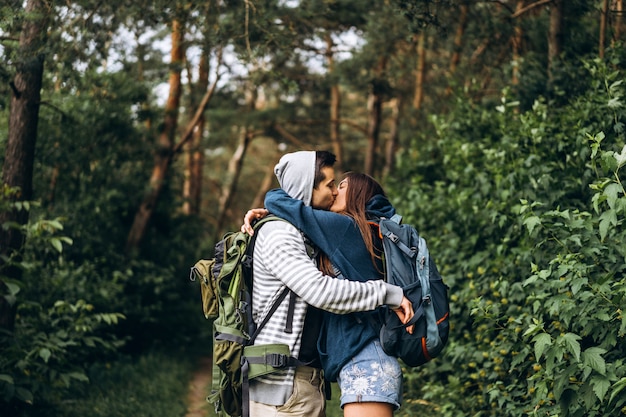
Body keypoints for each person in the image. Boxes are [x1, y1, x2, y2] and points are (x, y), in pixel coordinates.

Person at [245, 150, 413, 417]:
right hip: (280, 384)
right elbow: (319, 290)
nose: (334, 192)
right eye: (330, 184)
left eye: (340, 186)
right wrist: (387, 294)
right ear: (305, 188)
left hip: (307, 381)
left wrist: (273, 202)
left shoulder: (338, 230)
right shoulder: (280, 232)